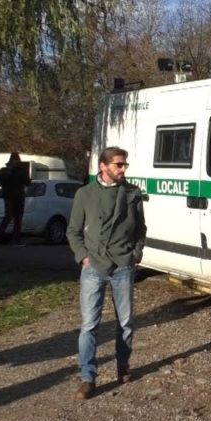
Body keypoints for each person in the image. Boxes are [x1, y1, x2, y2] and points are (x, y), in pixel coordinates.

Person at [67, 147, 147, 400]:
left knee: (125, 322)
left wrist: (136, 254)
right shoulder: (85, 194)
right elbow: (73, 231)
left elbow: (140, 229)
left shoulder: (132, 193)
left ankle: (122, 366)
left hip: (123, 265)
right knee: (89, 325)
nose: (123, 169)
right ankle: (88, 378)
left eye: (124, 165)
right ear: (103, 167)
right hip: (93, 268)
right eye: (118, 165)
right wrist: (83, 256)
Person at [0, 152, 31, 245]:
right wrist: (9, 173)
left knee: (17, 219)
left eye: (17, 160)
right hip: (10, 196)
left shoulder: (21, 170)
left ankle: (16, 239)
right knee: (9, 216)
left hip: (18, 196)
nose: (16, 162)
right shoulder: (5, 170)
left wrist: (23, 175)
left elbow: (27, 182)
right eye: (14, 160)